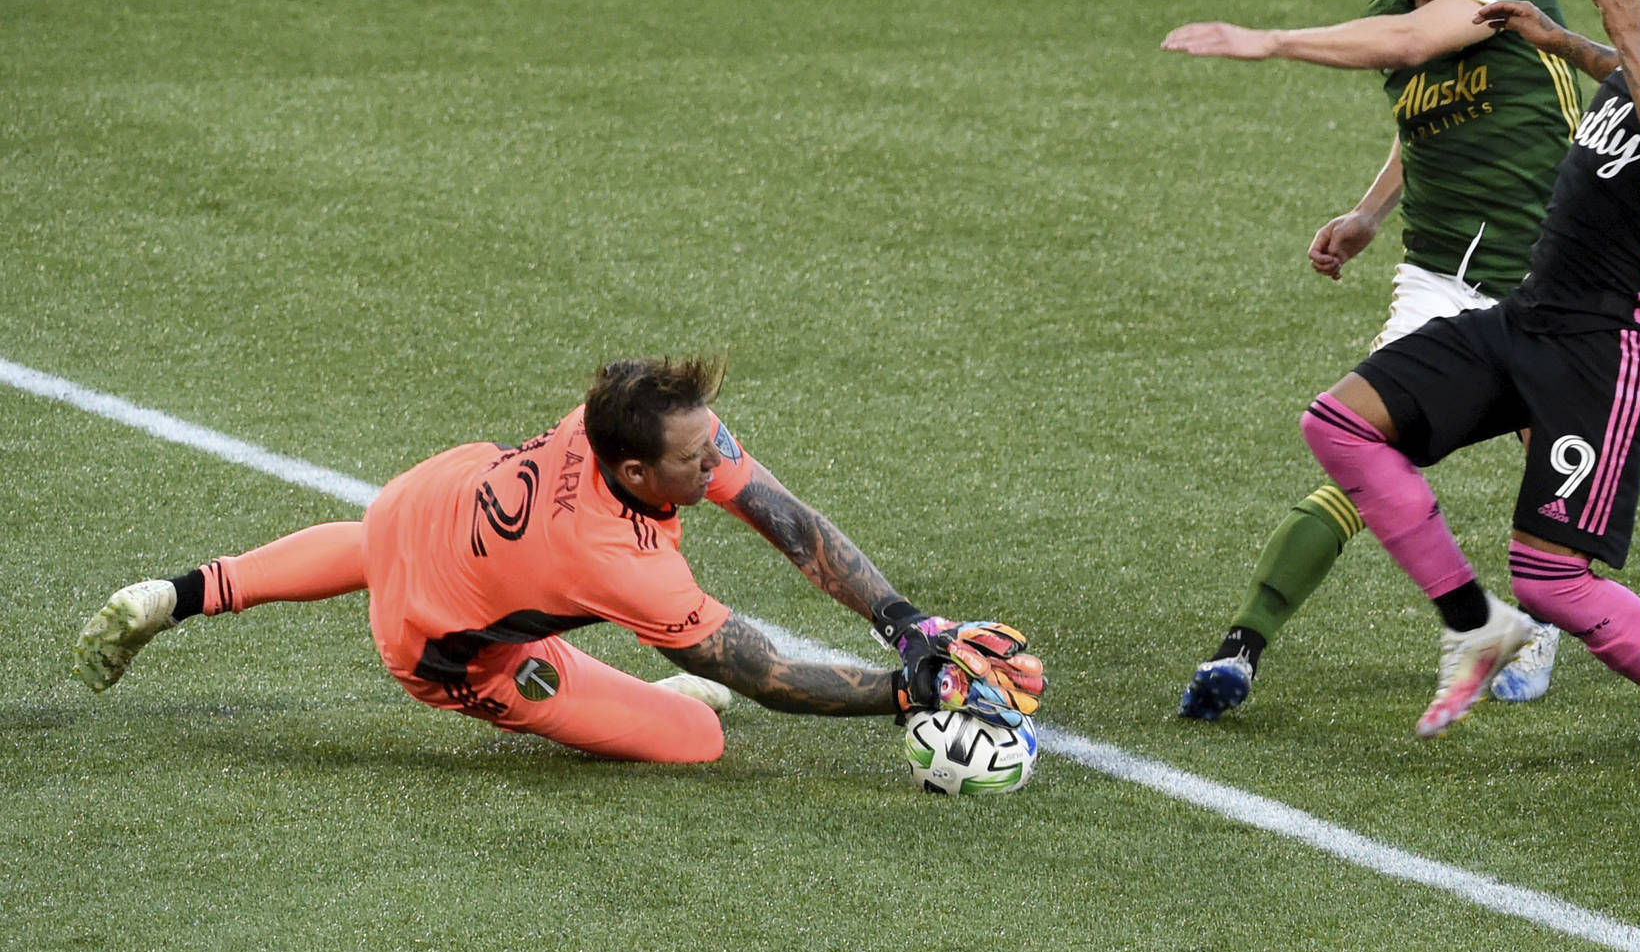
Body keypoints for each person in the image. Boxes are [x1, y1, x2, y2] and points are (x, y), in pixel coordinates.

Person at [1301, 0, 1640, 782]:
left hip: (1606, 351)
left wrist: (1628, 40)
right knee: (1341, 423)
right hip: (1526, 318)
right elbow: (1636, 83)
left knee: (1552, 580)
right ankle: (1476, 624)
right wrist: (1566, 43)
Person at [73, 354, 1044, 764]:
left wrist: (906, 621)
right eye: (697, 460)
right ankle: (614, 690)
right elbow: (767, 676)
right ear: (636, 470)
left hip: (428, 498)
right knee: (696, 733)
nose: (718, 464)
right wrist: (913, 689)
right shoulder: (621, 563)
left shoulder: (620, 421)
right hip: (440, 648)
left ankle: (179, 593)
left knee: (391, 536)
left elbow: (782, 515)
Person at [1162, 0, 1584, 719]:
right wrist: (1367, 215)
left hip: (1547, 274)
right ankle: (1243, 646)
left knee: (1551, 455)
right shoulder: (1394, 11)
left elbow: (1419, 37)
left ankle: (1543, 622)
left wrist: (1269, 41)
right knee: (1359, 443)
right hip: (1437, 276)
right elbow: (1420, 114)